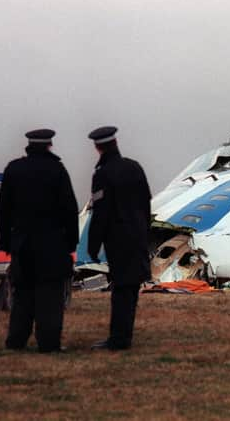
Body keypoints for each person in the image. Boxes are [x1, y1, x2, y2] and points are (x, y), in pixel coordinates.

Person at [0, 129, 79, 353]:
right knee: (50, 297)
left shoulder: (14, 169)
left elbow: (3, 210)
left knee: (22, 294)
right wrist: (71, 242)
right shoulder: (57, 170)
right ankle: (49, 343)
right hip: (52, 245)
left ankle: (16, 340)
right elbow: (69, 210)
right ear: (49, 145)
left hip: (22, 245)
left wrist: (6, 242)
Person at [87, 126, 151, 350]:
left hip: (118, 241)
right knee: (130, 290)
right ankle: (123, 335)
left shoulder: (102, 174)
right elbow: (146, 203)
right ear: (115, 143)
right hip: (138, 236)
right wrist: (145, 232)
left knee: (122, 290)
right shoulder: (134, 168)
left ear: (98, 147)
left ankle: (119, 339)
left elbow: (100, 213)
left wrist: (92, 245)